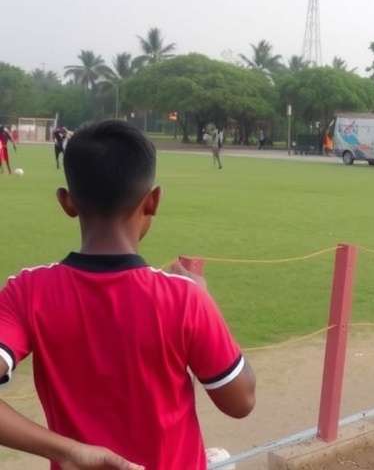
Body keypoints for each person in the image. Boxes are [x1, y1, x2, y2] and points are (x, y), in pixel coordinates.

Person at [0, 121, 256, 468]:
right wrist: (204, 299)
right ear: (153, 201)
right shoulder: (184, 298)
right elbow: (240, 401)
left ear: (67, 202)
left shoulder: (26, 292)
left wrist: (70, 451)